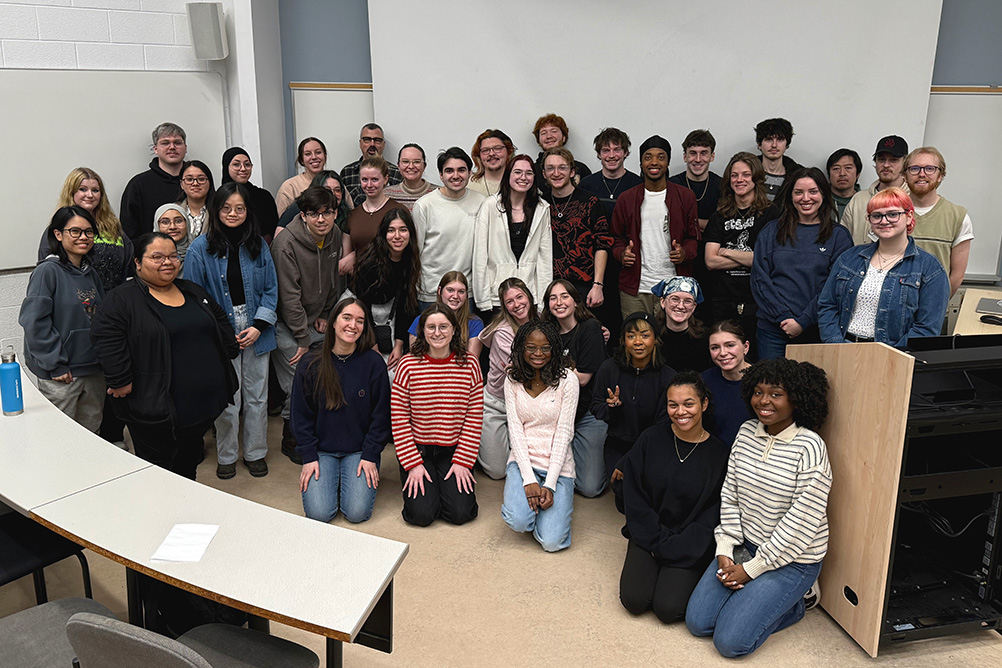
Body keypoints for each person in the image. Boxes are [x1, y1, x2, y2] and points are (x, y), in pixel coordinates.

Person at [686, 358, 831, 658]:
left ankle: (799, 602)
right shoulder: (746, 432)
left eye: (776, 393)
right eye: (758, 392)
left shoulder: (811, 447)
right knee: (698, 623)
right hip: (746, 544)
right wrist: (725, 550)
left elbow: (799, 526)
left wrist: (752, 571)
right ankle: (757, 598)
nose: (764, 401)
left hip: (794, 560)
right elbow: (731, 495)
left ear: (796, 398)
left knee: (730, 642)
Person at [91, 232, 239, 480]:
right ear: (137, 262)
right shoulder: (121, 299)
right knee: (159, 474)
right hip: (154, 411)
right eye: (157, 257)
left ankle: (184, 509)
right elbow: (105, 338)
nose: (167, 262)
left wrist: (228, 349)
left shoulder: (191, 290)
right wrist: (119, 379)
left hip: (201, 408)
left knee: (188, 466)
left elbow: (218, 319)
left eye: (173, 256)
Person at [185, 182, 279, 480]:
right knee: (227, 400)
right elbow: (195, 296)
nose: (233, 213)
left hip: (256, 328)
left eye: (240, 208)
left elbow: (271, 290)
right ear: (216, 210)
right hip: (219, 330)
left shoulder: (259, 245)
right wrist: (224, 332)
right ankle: (226, 455)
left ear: (248, 211)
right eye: (226, 208)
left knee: (256, 396)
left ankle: (255, 453)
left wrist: (258, 326)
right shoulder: (200, 248)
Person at [620, 372, 729, 623]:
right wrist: (655, 540)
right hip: (648, 533)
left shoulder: (720, 454)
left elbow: (714, 511)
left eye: (688, 403)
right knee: (634, 600)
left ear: (704, 404)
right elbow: (634, 495)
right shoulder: (650, 439)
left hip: (689, 541)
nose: (681, 411)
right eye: (673, 405)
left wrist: (676, 547)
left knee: (668, 609)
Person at [292, 298, 390, 524]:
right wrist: (308, 455)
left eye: (360, 321)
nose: (352, 325)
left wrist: (370, 455)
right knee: (319, 514)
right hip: (321, 451)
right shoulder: (310, 363)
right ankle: (332, 479)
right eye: (347, 318)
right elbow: (300, 416)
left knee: (356, 513)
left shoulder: (373, 363)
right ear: (333, 322)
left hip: (359, 450)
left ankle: (343, 479)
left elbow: (381, 416)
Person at [819, 187, 950, 348]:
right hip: (843, 349)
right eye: (877, 215)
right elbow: (827, 305)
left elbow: (927, 329)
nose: (884, 221)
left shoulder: (930, 268)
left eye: (893, 214)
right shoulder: (849, 258)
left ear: (909, 216)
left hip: (894, 358)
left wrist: (887, 356)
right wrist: (836, 345)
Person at [270, 186, 344, 464]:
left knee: (324, 378)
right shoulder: (285, 244)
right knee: (295, 384)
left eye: (327, 213)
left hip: (316, 319)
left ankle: (316, 432)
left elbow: (333, 280)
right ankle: (292, 438)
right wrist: (302, 338)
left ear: (335, 214)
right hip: (287, 325)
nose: (321, 219)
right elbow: (288, 297)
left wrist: (327, 313)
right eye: (314, 214)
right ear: (303, 216)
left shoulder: (334, 235)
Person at [392, 304, 483, 527]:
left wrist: (463, 460)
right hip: (418, 449)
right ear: (422, 331)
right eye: (431, 327)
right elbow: (399, 416)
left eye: (443, 326)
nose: (437, 332)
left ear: (454, 330)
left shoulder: (469, 364)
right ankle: (431, 491)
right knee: (422, 516)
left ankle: (444, 489)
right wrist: (412, 463)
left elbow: (474, 416)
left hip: (454, 450)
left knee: (460, 514)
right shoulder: (408, 364)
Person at [751, 167, 853, 359]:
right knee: (772, 387)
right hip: (772, 331)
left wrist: (803, 321)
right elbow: (759, 279)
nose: (806, 198)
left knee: (810, 389)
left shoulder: (839, 236)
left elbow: (836, 287)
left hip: (816, 330)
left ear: (823, 194)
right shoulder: (771, 231)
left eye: (813, 191)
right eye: (798, 192)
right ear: (790, 196)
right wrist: (783, 317)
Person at [20, 206, 105, 432]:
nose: (83, 237)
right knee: (61, 436)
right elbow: (34, 321)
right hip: (62, 374)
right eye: (75, 231)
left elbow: (100, 318)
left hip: (93, 369)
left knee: (91, 435)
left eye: (88, 232)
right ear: (58, 234)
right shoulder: (47, 271)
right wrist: (55, 364)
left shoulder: (91, 273)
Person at [501, 320, 579, 552]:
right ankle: (531, 510)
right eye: (531, 347)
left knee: (552, 542)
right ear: (521, 349)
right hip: (524, 461)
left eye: (545, 347)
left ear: (555, 348)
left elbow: (565, 432)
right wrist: (528, 480)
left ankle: (550, 513)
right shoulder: (512, 379)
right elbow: (515, 430)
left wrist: (551, 484)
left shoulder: (568, 380)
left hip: (558, 465)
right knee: (518, 521)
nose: (538, 353)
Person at [591, 312, 675, 511]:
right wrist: (611, 408)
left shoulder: (668, 376)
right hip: (617, 443)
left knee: (653, 491)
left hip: (652, 447)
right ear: (623, 340)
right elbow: (595, 406)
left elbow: (663, 426)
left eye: (645, 335)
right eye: (631, 336)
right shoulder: (609, 368)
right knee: (622, 491)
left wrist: (629, 461)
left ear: (655, 340)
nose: (638, 342)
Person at [611, 135, 700, 319]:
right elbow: (615, 238)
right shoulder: (626, 198)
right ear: (641, 162)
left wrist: (684, 253)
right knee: (636, 341)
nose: (654, 162)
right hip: (634, 288)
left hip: (673, 288)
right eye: (648, 157)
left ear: (668, 162)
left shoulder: (685, 196)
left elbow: (694, 238)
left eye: (661, 157)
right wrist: (621, 254)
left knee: (669, 343)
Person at [703, 152, 780, 354]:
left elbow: (768, 259)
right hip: (723, 300)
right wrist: (750, 258)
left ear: (756, 177)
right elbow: (710, 261)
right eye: (735, 175)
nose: (740, 180)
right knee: (725, 355)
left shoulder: (771, 214)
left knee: (754, 356)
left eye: (746, 174)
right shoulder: (719, 215)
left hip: (757, 300)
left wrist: (727, 251)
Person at [542, 279, 608, 497]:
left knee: (590, 488)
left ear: (575, 300)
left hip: (587, 412)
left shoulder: (590, 328)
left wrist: (546, 373)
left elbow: (582, 380)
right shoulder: (546, 334)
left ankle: (572, 449)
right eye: (553, 298)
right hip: (555, 412)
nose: (559, 302)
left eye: (564, 296)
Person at [477, 278, 541, 479]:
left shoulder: (542, 320)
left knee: (535, 463)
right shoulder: (502, 333)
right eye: (509, 302)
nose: (517, 304)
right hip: (498, 403)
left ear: (528, 296)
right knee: (497, 471)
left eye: (519, 297)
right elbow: (526, 371)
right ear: (504, 307)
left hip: (529, 405)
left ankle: (512, 442)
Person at [472, 154, 552, 311]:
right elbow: (480, 255)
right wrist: (483, 300)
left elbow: (545, 259)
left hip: (530, 296)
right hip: (497, 296)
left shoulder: (542, 209)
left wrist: (543, 301)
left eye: (529, 173)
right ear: (508, 175)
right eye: (517, 172)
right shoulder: (490, 206)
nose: (523, 177)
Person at [37, 167, 133, 292]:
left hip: (114, 302)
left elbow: (129, 263)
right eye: (82, 189)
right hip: (77, 302)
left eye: (95, 190)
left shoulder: (113, 227)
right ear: (71, 193)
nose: (90, 195)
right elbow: (47, 273)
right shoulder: (59, 229)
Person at [412, 147, 485, 308]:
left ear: (470, 173)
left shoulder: (482, 202)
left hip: (467, 292)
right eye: (449, 171)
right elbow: (414, 252)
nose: (456, 175)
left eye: (461, 170)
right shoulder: (424, 205)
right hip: (431, 293)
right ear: (441, 175)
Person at [542, 147, 612, 311]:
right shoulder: (540, 204)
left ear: (572, 172)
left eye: (562, 167)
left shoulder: (590, 202)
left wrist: (598, 285)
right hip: (549, 286)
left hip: (584, 287)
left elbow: (602, 245)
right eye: (550, 168)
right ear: (544, 174)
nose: (556, 173)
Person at [351, 208, 421, 371]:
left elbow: (405, 304)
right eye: (391, 230)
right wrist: (372, 343)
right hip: (361, 313)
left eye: (403, 230)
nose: (397, 236)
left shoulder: (410, 259)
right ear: (384, 233)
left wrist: (399, 344)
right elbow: (363, 306)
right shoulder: (370, 262)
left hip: (391, 315)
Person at [904, 147, 973, 296]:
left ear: (940, 176)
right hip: (890, 309)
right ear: (905, 175)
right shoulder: (889, 212)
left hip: (933, 312)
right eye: (914, 168)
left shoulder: (958, 217)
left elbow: (956, 276)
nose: (922, 174)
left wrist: (935, 308)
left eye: (930, 169)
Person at [120, 122, 187, 240]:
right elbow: (129, 231)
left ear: (185, 148)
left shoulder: (198, 182)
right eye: (165, 143)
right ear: (155, 149)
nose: (172, 147)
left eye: (177, 142)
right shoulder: (138, 185)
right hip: (151, 256)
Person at [841, 135, 910, 244]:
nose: (886, 165)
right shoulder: (858, 199)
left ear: (905, 163)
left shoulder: (912, 200)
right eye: (881, 159)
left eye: (893, 160)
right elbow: (842, 242)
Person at [701, 321, 753, 447]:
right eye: (715, 348)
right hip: (716, 458)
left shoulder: (763, 381)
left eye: (730, 345)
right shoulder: (704, 381)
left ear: (745, 347)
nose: (723, 353)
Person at [408, 271, 483, 359]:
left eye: (461, 292)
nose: (455, 296)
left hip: (460, 371)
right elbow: (415, 358)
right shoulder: (420, 320)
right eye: (450, 290)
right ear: (440, 291)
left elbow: (470, 362)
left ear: (466, 295)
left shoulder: (475, 323)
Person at [344, 156, 405, 265]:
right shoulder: (353, 215)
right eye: (364, 180)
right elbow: (347, 257)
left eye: (375, 179)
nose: (369, 185)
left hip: (391, 277)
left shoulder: (398, 211)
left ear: (385, 179)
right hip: (359, 278)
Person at [579, 127, 643, 219]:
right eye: (606, 150)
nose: (612, 155)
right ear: (599, 154)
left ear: (625, 152)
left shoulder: (638, 185)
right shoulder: (586, 185)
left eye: (617, 150)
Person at [221, 147, 280, 242]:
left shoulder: (264, 196)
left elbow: (273, 231)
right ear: (226, 166)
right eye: (236, 165)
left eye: (247, 165)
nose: (243, 169)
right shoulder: (220, 197)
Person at [654, 276, 711, 372]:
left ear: (694, 307)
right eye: (675, 299)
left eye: (688, 301)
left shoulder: (706, 338)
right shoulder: (652, 335)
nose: (681, 306)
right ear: (663, 302)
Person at [670, 129, 722, 230]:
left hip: (712, 244)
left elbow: (721, 226)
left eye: (703, 153)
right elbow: (671, 223)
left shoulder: (722, 185)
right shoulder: (672, 185)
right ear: (685, 157)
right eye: (693, 153)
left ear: (712, 156)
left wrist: (688, 221)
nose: (698, 159)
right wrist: (705, 224)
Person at [340, 123, 403, 207]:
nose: (372, 144)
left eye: (377, 140)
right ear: (360, 143)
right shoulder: (347, 173)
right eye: (367, 139)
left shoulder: (396, 173)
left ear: (383, 144)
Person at [532, 113, 591, 198]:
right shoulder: (531, 170)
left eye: (554, 131)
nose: (549, 136)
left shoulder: (581, 169)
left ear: (564, 137)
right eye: (544, 133)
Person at [276, 170, 351, 236]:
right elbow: (279, 237)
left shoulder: (345, 214)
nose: (332, 194)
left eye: (337, 190)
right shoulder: (298, 208)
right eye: (327, 190)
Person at [276, 137, 329, 215]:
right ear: (301, 160)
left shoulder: (334, 183)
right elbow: (282, 222)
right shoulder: (290, 187)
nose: (314, 157)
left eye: (318, 152)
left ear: (325, 156)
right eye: (308, 154)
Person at [754, 118, 801, 201]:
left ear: (787, 145)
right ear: (759, 144)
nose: (774, 145)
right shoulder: (747, 173)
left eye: (780, 139)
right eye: (768, 139)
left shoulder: (798, 175)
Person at [384, 143, 439, 210]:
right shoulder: (387, 195)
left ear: (424, 166)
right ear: (398, 166)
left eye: (416, 162)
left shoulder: (438, 194)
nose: (411, 166)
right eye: (405, 161)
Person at [468, 129, 515, 197]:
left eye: (497, 148)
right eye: (485, 150)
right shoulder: (469, 184)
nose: (491, 154)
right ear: (479, 155)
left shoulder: (519, 182)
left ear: (509, 152)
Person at [175, 160, 214, 238]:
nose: (195, 184)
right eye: (189, 179)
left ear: (210, 182)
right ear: (181, 184)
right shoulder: (173, 210)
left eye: (201, 179)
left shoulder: (220, 209)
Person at [153, 204, 191, 277]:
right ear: (157, 226)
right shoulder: (149, 252)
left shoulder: (198, 250)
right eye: (165, 222)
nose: (172, 227)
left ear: (187, 223)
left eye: (178, 221)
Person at [826, 148, 862, 220]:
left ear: (858, 174)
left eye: (848, 168)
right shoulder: (819, 201)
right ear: (829, 174)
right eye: (836, 169)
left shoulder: (867, 202)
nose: (842, 173)